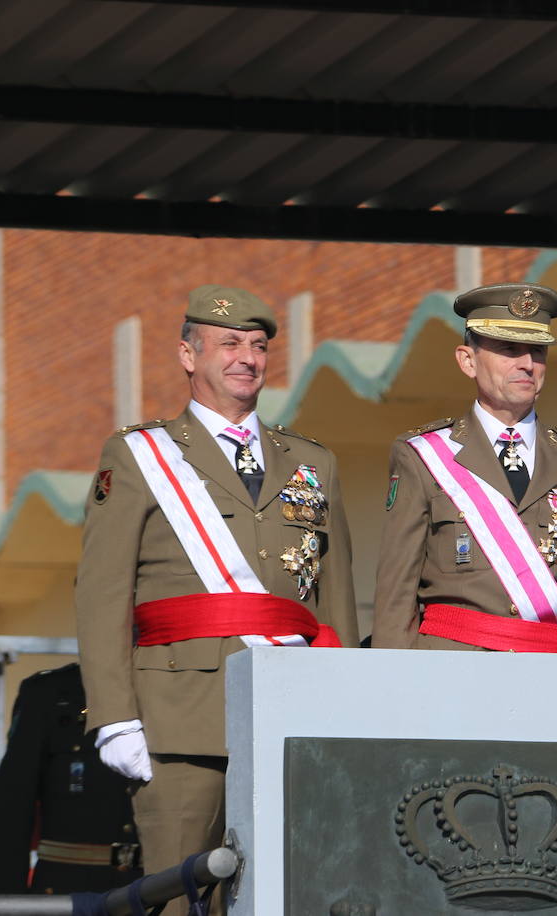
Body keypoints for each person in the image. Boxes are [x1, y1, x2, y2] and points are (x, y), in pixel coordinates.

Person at [76, 285, 358, 914]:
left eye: (258, 346)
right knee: (177, 900)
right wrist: (114, 716)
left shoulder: (315, 462)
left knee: (295, 894)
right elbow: (101, 594)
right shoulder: (139, 455)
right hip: (179, 718)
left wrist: (345, 705)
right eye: (228, 343)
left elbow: (335, 603)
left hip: (293, 714)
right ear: (187, 354)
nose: (246, 358)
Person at [371, 282, 557, 654]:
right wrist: (394, 689)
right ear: (468, 360)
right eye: (509, 349)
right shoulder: (422, 456)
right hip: (457, 673)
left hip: (556, 672)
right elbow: (396, 595)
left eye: (537, 351)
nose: (527, 364)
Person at [0, 663, 140, 894]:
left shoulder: (179, 687)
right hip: (69, 887)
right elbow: (12, 808)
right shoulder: (49, 691)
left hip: (156, 886)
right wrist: (6, 903)